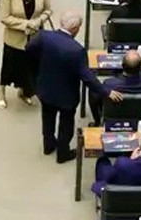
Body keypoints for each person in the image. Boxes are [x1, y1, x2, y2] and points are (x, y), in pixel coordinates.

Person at [27, 11, 123, 162]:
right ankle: (63, 153)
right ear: (76, 28)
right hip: (66, 95)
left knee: (47, 119)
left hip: (45, 89)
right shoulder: (77, 50)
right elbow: (87, 77)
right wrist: (106, 91)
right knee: (66, 125)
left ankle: (48, 146)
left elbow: (29, 48)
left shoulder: (43, 36)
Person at [0, 0, 52, 108]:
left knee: (30, 68)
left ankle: (25, 92)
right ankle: (1, 92)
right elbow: (4, 17)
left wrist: (39, 20)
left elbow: (48, 10)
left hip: (35, 38)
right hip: (14, 39)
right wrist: (26, 24)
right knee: (9, 68)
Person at [91, 128, 141, 197]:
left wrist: (131, 160)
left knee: (103, 161)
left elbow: (110, 178)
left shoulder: (123, 164)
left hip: (121, 201)